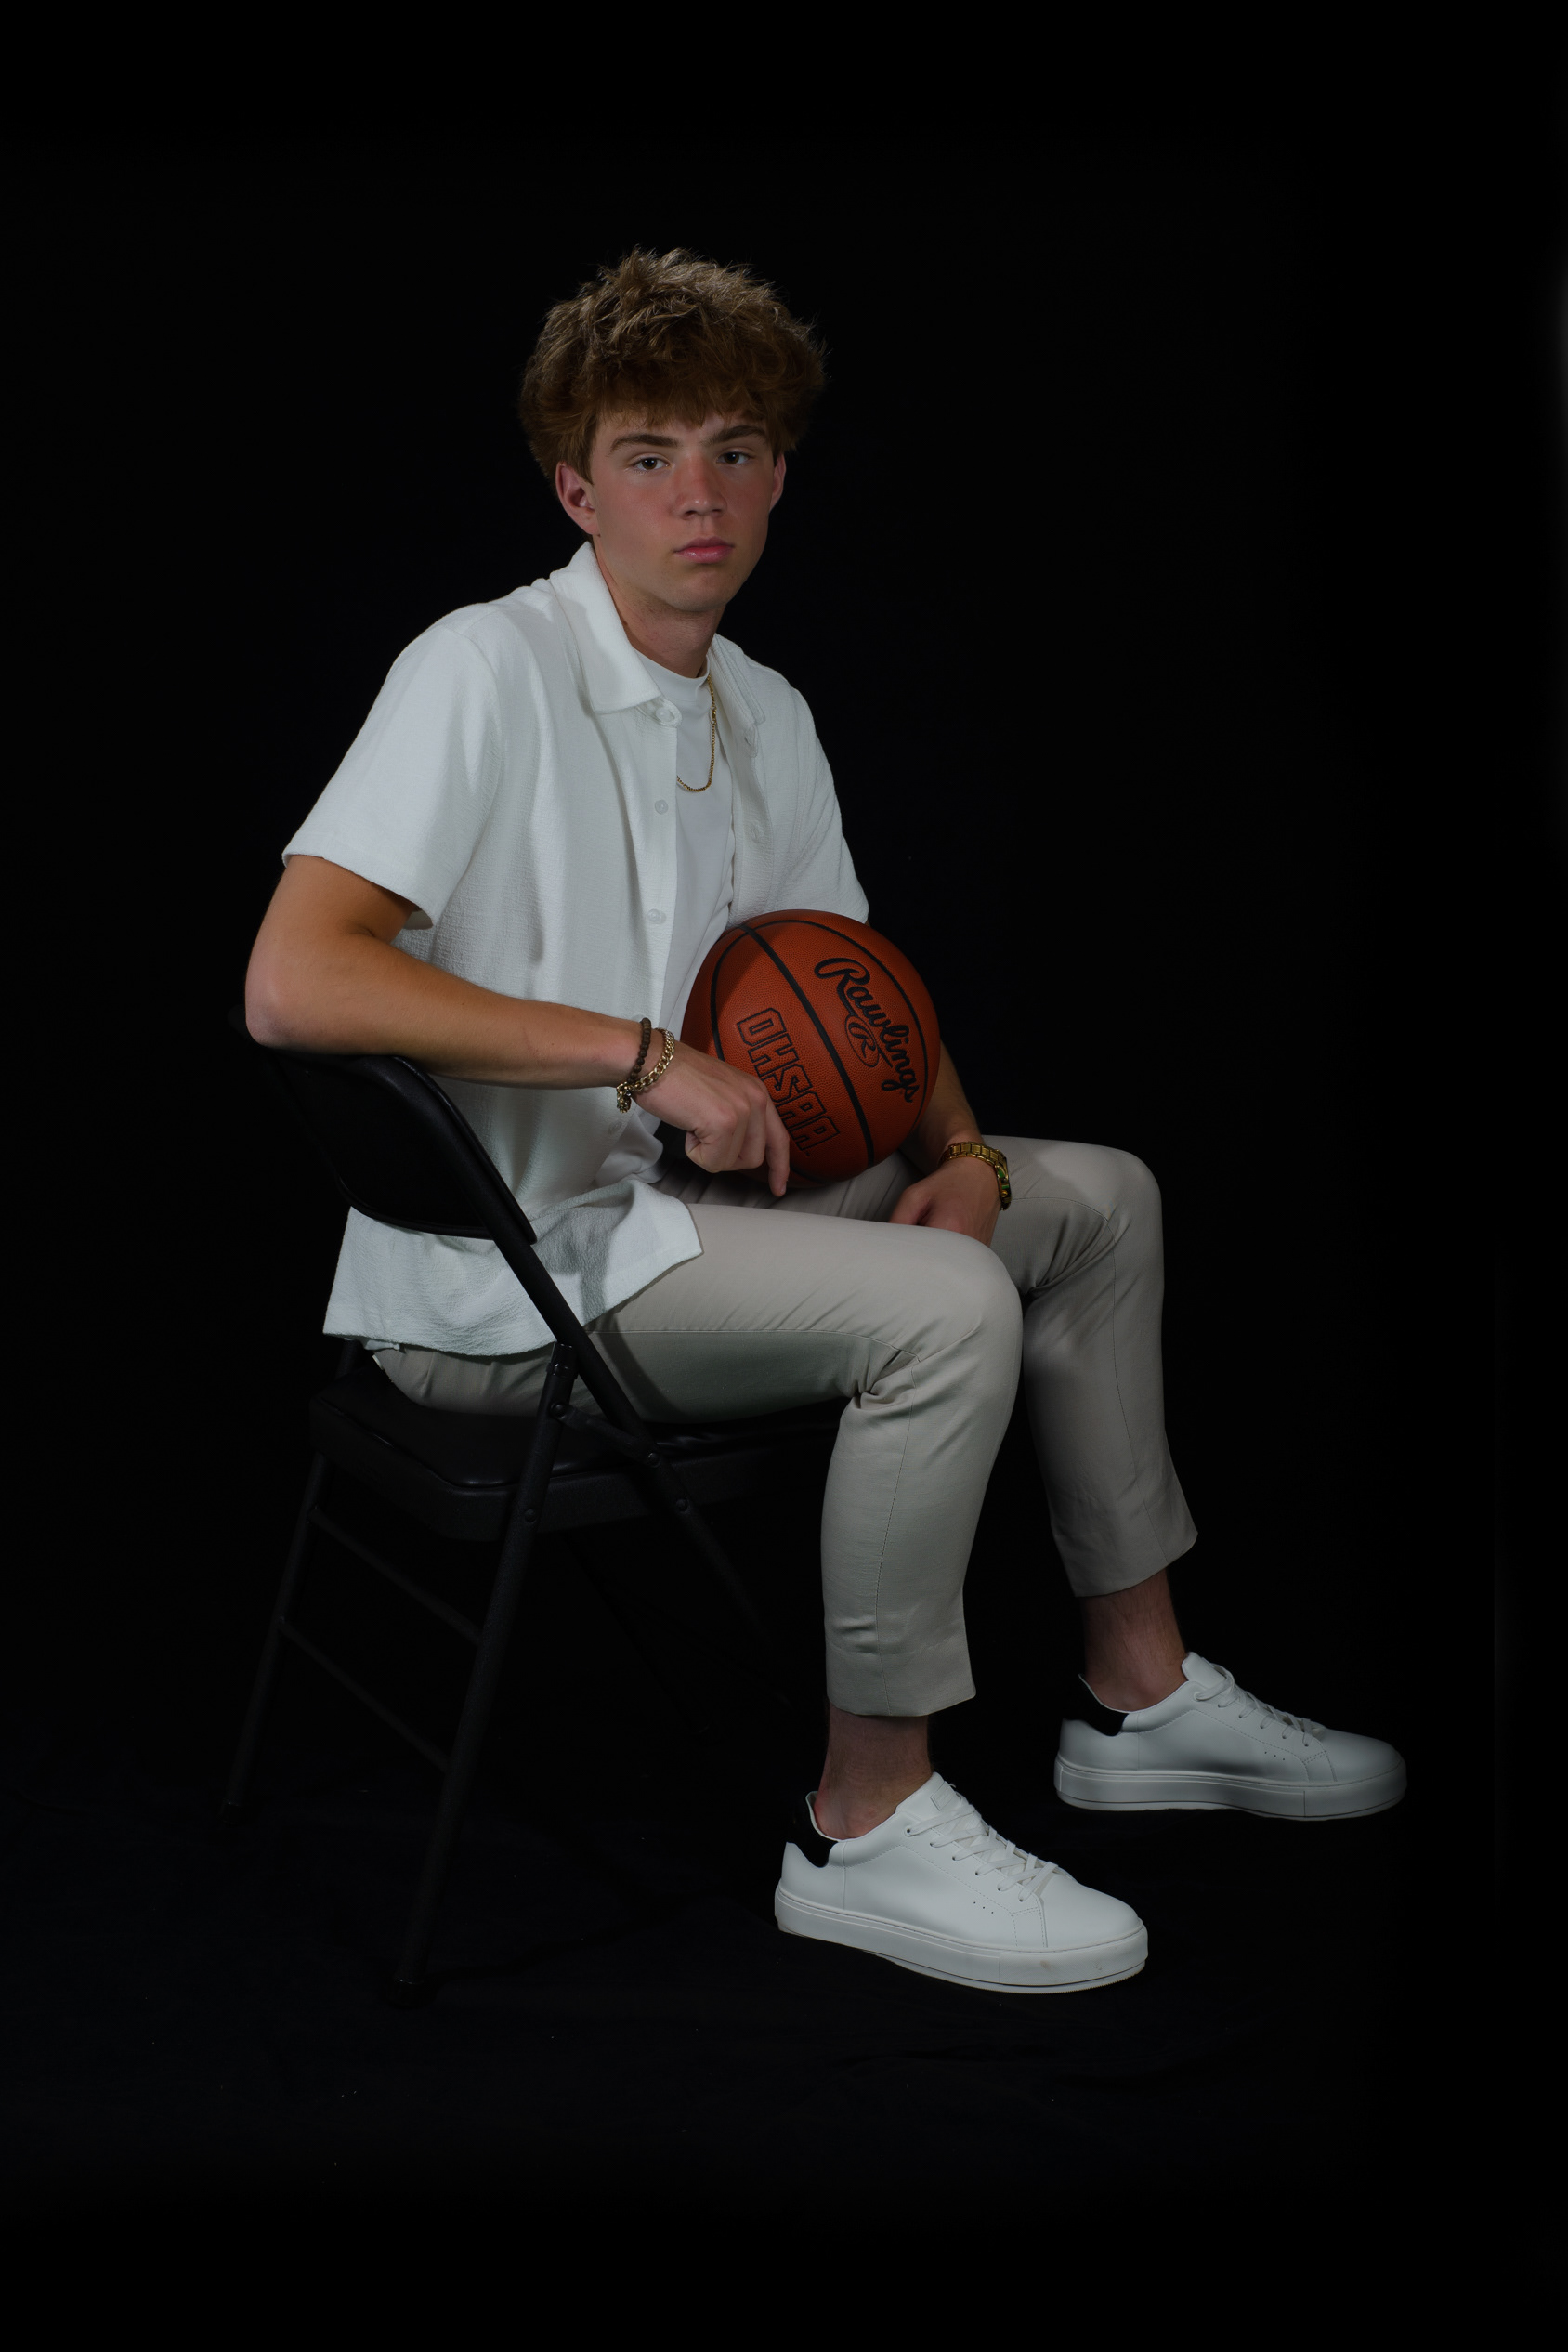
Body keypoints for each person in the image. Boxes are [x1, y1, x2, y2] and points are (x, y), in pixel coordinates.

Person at [246, 248, 1405, 1996]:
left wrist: (962, 1157)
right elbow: (292, 980)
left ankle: (1142, 1698)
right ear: (577, 489)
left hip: (697, 1225)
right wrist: (639, 1056)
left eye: (734, 449)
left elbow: (859, 998)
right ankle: (867, 1821)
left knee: (1099, 1198)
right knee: (944, 1309)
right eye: (648, 455)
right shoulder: (481, 668)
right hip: (513, 1284)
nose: (698, 496)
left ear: (781, 473)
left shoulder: (765, 710)